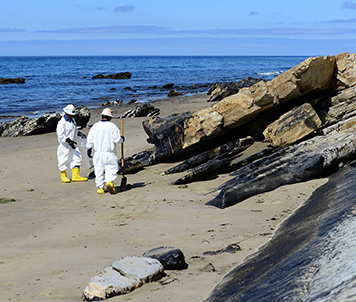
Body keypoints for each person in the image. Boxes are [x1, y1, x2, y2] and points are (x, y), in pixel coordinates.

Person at [86, 108, 124, 194]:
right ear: (110, 117)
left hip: (97, 153)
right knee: (111, 168)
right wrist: (122, 139)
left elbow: (90, 139)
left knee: (98, 170)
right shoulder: (112, 126)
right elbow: (117, 140)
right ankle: (110, 182)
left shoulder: (95, 126)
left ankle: (100, 188)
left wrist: (88, 148)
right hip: (109, 153)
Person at [56, 104, 88, 183]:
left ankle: (75, 176)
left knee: (76, 157)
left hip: (74, 144)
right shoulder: (62, 122)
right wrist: (68, 141)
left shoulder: (73, 121)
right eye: (71, 115)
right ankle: (63, 176)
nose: (72, 116)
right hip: (65, 145)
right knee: (63, 159)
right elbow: (60, 134)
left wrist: (78, 133)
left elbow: (73, 130)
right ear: (66, 113)